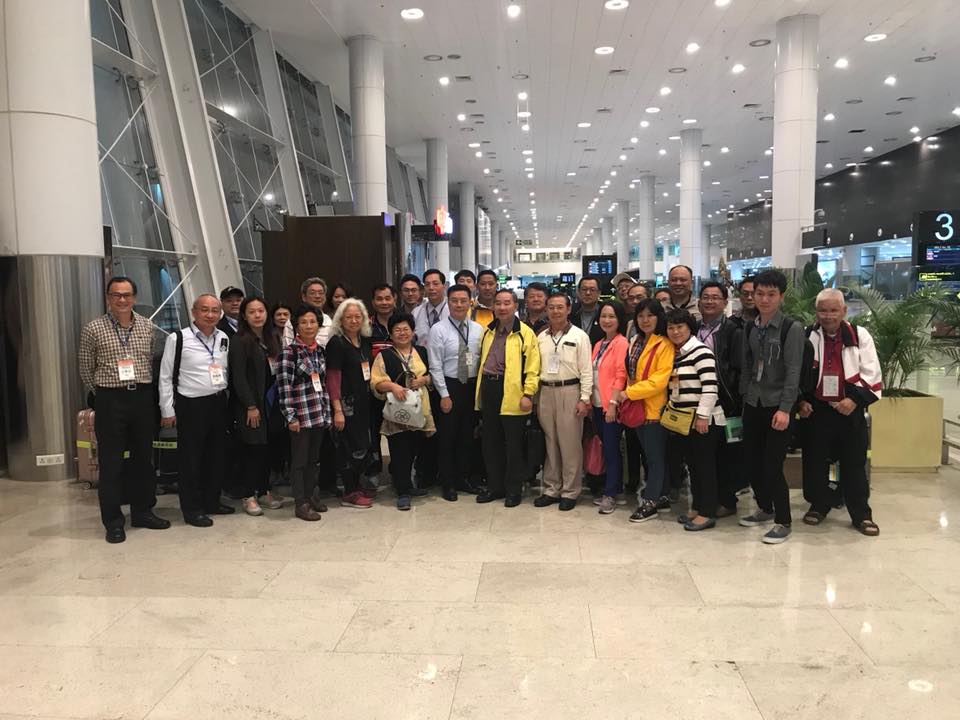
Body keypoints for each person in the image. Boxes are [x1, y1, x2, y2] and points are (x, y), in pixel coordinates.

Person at [78, 276, 169, 543]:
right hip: (110, 399)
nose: (122, 299)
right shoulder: (93, 328)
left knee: (143, 459)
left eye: (127, 295)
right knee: (111, 463)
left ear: (134, 298)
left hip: (141, 397)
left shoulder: (146, 326)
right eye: (116, 295)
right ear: (108, 298)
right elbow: (86, 369)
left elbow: (150, 359)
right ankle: (113, 522)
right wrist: (104, 394)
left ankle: (143, 512)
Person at [798, 289, 882, 536]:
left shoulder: (859, 335)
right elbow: (797, 372)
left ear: (844, 311)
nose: (828, 315)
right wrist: (801, 401)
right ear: (816, 312)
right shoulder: (807, 335)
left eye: (834, 310)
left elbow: (872, 372)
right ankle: (819, 505)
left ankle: (861, 514)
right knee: (815, 461)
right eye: (823, 310)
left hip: (849, 409)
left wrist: (854, 400)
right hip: (817, 410)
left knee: (854, 463)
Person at [738, 269, 805, 544]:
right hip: (753, 402)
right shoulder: (751, 327)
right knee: (752, 461)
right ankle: (765, 508)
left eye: (771, 294)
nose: (765, 299)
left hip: (777, 405)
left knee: (773, 465)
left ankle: (783, 520)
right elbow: (747, 365)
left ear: (781, 297)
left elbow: (793, 371)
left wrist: (786, 409)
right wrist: (745, 395)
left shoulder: (791, 328)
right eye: (760, 294)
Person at [158, 294, 233, 527]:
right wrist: (167, 410)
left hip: (218, 403)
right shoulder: (178, 338)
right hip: (191, 405)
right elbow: (165, 376)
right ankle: (191, 509)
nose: (210, 315)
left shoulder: (223, 337)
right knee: (190, 459)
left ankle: (212, 501)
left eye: (214, 310)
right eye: (204, 310)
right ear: (194, 312)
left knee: (216, 456)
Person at [475, 289, 541, 507]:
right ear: (493, 306)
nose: (502, 307)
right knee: (490, 442)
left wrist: (528, 394)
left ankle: (513, 489)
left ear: (515, 306)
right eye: (498, 303)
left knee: (514, 445)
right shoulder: (488, 331)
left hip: (513, 392)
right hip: (489, 388)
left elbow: (533, 367)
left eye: (507, 303)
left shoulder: (525, 333)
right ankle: (495, 487)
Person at [664, 309, 724, 531]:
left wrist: (702, 416)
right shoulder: (677, 354)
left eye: (680, 327)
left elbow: (710, 388)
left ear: (690, 328)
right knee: (694, 467)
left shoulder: (701, 351)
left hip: (704, 421)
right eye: (671, 327)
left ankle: (707, 512)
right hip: (684, 422)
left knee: (705, 467)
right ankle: (697, 507)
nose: (675, 331)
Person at [371, 313, 436, 510]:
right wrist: (393, 386)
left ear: (413, 331)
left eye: (406, 329)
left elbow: (433, 374)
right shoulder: (384, 355)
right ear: (390, 334)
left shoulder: (422, 352)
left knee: (416, 448)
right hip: (397, 411)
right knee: (400, 451)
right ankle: (402, 491)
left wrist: (424, 380)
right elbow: (376, 382)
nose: (402, 333)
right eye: (397, 330)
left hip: (420, 409)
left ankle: (409, 484)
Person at [534, 292, 593, 510]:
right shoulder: (541, 337)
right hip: (545, 392)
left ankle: (570, 491)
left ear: (568, 309)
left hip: (570, 391)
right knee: (550, 442)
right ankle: (551, 488)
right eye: (551, 307)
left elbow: (586, 370)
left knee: (570, 444)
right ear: (546, 310)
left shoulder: (579, 336)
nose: (555, 311)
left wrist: (584, 398)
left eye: (560, 307)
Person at [228, 297, 287, 516]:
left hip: (271, 403)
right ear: (244, 316)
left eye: (261, 310)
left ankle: (263, 491)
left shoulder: (272, 338)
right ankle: (248, 495)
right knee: (253, 450)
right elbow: (239, 378)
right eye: (252, 312)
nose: (257, 315)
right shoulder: (239, 341)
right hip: (252, 405)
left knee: (267, 449)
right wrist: (250, 405)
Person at [427, 284, 484, 501]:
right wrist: (444, 394)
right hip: (449, 386)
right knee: (448, 438)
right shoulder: (438, 330)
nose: (459, 305)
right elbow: (435, 365)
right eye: (454, 300)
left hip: (471, 386)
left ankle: (463, 478)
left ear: (470, 302)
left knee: (467, 436)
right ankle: (448, 483)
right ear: (448, 302)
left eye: (463, 300)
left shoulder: (478, 329)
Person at [621, 299, 675, 523]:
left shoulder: (665, 344)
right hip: (637, 408)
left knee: (654, 458)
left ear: (659, 317)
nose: (645, 320)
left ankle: (651, 501)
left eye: (650, 315)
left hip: (654, 409)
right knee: (651, 455)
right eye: (641, 316)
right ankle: (662, 495)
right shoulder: (636, 340)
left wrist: (628, 393)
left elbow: (659, 381)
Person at [277, 305, 333, 521]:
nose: (309, 326)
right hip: (300, 416)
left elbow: (324, 384)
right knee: (299, 462)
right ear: (296, 326)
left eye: (313, 322)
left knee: (314, 460)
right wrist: (290, 416)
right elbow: (284, 387)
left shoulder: (320, 351)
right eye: (303, 322)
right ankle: (300, 503)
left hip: (318, 414)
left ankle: (311, 496)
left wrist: (327, 413)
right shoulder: (289, 353)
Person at [697, 282, 745, 516]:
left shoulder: (733, 331)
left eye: (715, 297)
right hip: (699, 401)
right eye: (705, 297)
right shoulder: (694, 329)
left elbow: (739, 368)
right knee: (705, 456)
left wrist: (734, 399)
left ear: (725, 302)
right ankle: (708, 499)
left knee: (726, 454)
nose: (709, 301)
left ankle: (727, 501)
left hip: (726, 401)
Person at [325, 298, 375, 508]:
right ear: (340, 319)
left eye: (357, 316)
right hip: (346, 405)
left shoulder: (364, 341)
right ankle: (349, 491)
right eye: (349, 317)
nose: (354, 320)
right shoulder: (337, 343)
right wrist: (337, 409)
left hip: (363, 402)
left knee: (361, 445)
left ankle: (357, 484)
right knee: (347, 446)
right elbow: (332, 378)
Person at [590, 301, 629, 514]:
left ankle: (610, 494)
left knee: (612, 450)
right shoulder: (599, 343)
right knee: (606, 448)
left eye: (612, 316)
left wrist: (613, 404)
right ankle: (616, 489)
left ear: (619, 319)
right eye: (604, 316)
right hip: (597, 404)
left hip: (610, 406)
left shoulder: (621, 343)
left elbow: (621, 375)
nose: (607, 320)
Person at [282, 278, 333, 347]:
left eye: (320, 293)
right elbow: (287, 348)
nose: (317, 296)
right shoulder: (292, 321)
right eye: (312, 293)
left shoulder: (330, 322)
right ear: (304, 297)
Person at [413, 268, 449, 341]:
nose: (431, 288)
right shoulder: (416, 312)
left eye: (435, 284)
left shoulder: (452, 311)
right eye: (427, 284)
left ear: (444, 286)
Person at [570, 276, 604, 345]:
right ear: (578, 292)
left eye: (592, 290)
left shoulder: (604, 311)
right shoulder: (570, 312)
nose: (588, 293)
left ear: (599, 293)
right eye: (584, 289)